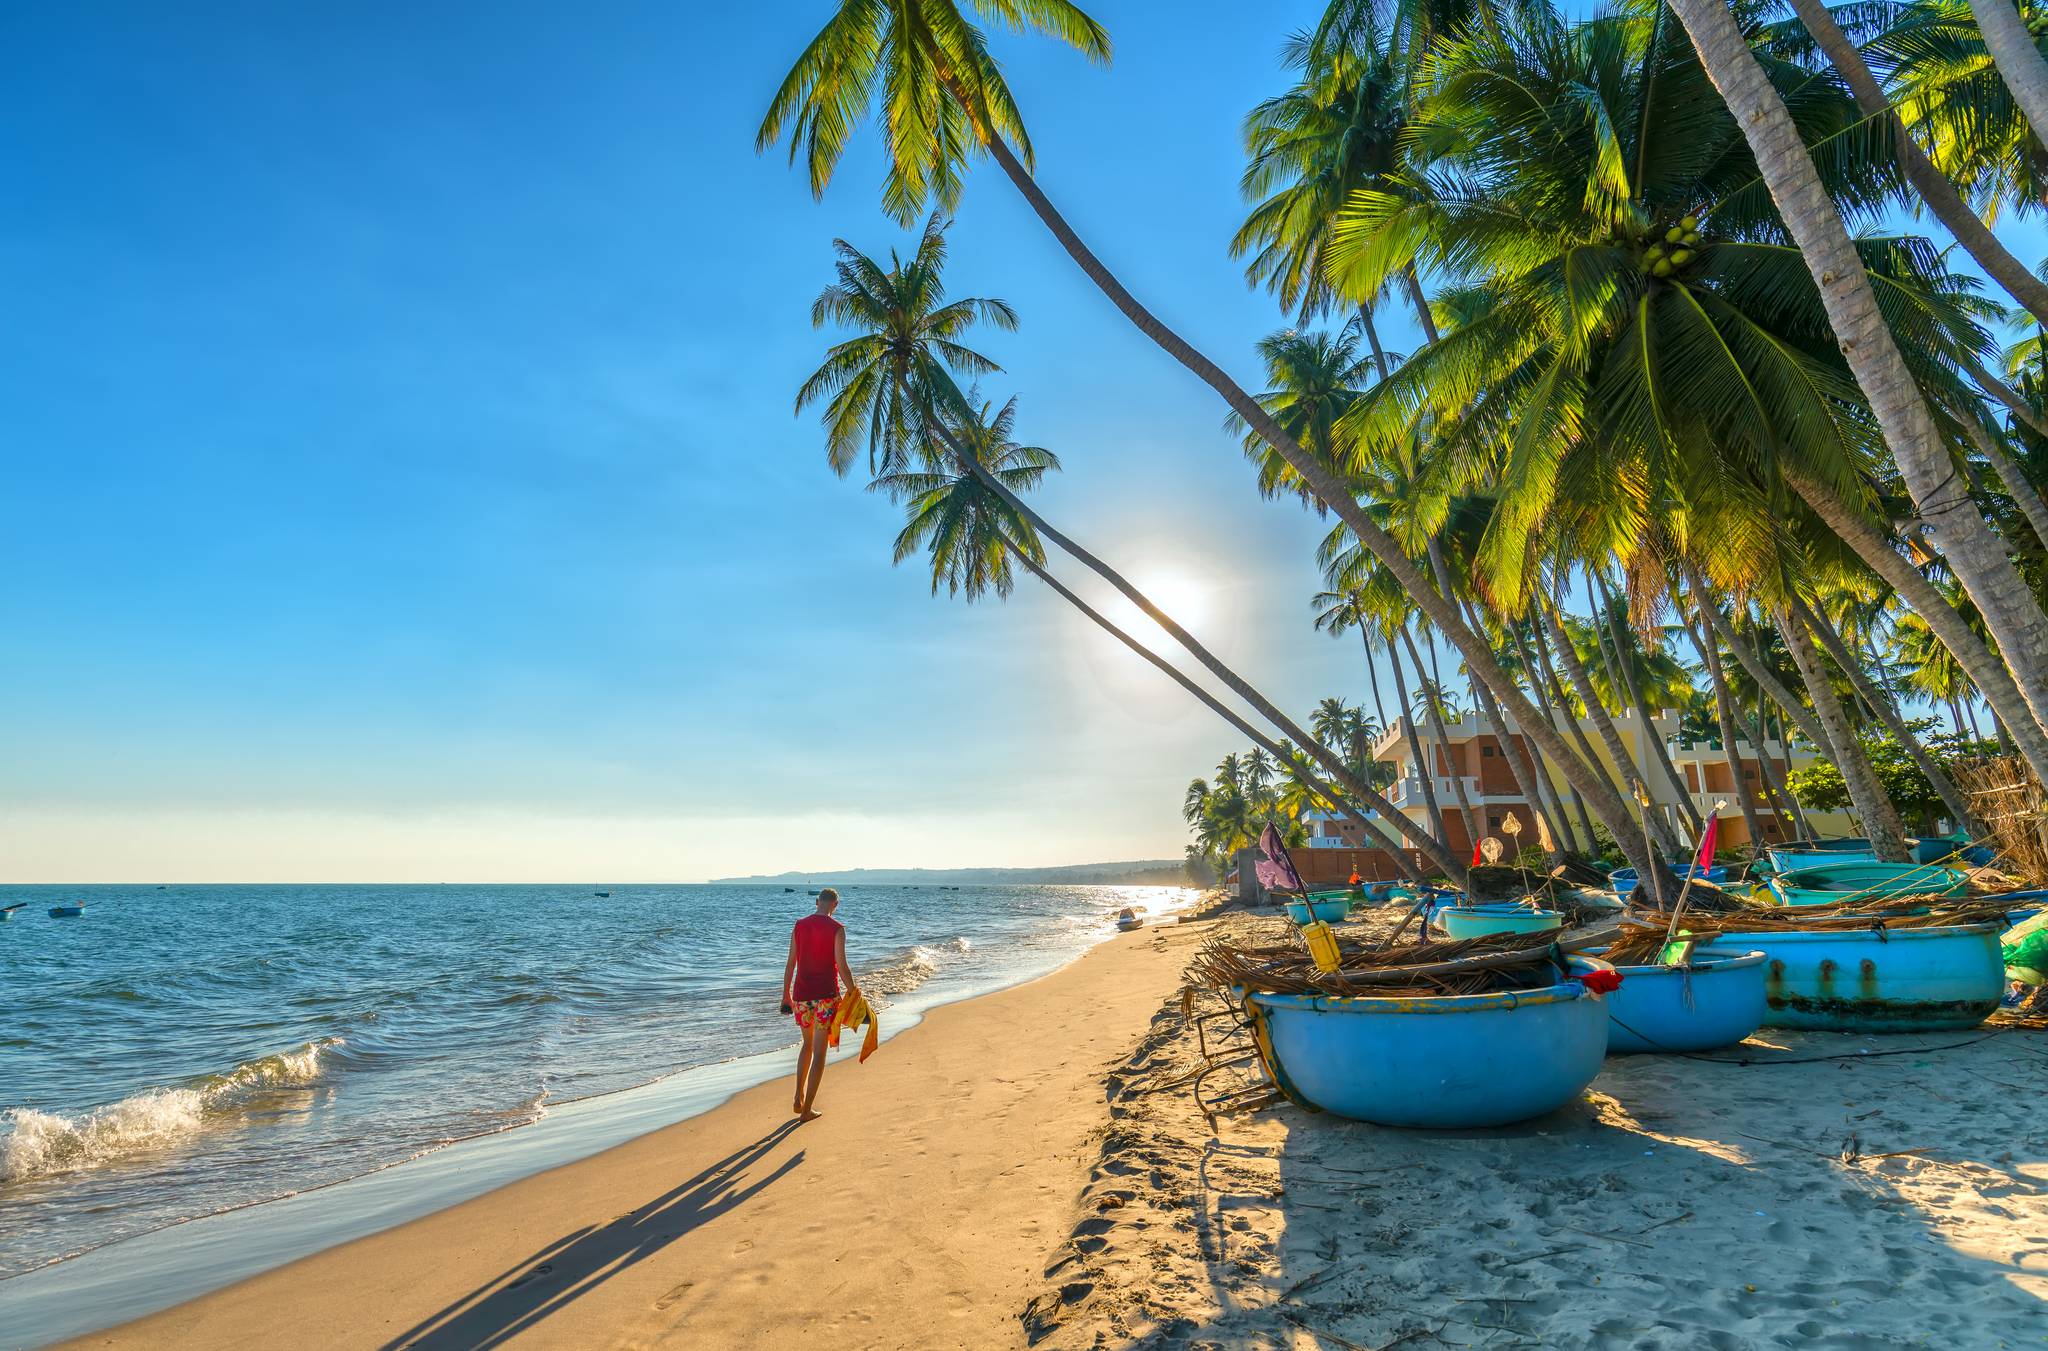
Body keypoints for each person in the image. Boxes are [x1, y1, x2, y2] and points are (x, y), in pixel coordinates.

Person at [780, 888, 858, 1122]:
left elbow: (790, 963)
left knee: (806, 1045)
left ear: (817, 902)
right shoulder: (837, 929)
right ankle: (807, 1111)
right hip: (825, 996)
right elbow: (842, 967)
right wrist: (854, 992)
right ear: (836, 904)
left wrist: (786, 994)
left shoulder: (799, 925)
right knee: (820, 1052)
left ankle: (797, 1096)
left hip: (801, 995)